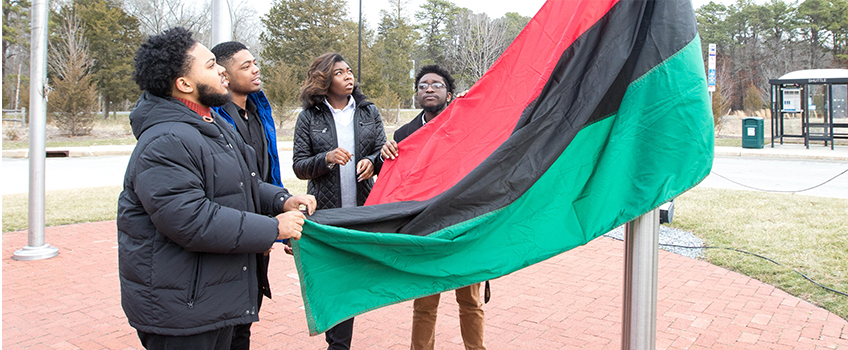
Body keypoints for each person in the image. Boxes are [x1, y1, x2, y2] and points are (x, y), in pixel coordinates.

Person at [118, 27, 316, 350]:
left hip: (215, 297)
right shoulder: (165, 140)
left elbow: (245, 184)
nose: (222, 71)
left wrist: (283, 200)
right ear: (184, 84)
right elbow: (192, 220)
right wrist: (272, 228)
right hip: (183, 313)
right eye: (211, 66)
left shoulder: (213, 125)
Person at [380, 65, 486, 350]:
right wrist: (383, 154)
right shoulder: (405, 134)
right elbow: (394, 181)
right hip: (424, 229)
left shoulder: (466, 123)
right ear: (416, 94)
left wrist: (473, 105)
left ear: (449, 94)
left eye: (436, 84)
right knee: (425, 302)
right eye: (423, 84)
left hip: (464, 224)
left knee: (470, 301)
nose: (428, 88)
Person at [292, 52, 386, 350]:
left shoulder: (368, 111)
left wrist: (372, 161)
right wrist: (327, 159)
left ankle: (339, 342)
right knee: (334, 282)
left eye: (349, 71)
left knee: (354, 281)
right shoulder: (309, 117)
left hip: (362, 214)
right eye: (339, 73)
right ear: (324, 79)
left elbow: (384, 152)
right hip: (327, 215)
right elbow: (299, 165)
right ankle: (338, 344)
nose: (348, 76)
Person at [209, 41, 281, 350]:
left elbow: (265, 174)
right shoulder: (214, 119)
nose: (255, 69)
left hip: (258, 229)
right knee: (226, 321)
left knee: (247, 316)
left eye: (255, 63)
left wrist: (276, 220)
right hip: (231, 232)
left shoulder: (259, 112)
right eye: (246, 66)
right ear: (224, 74)